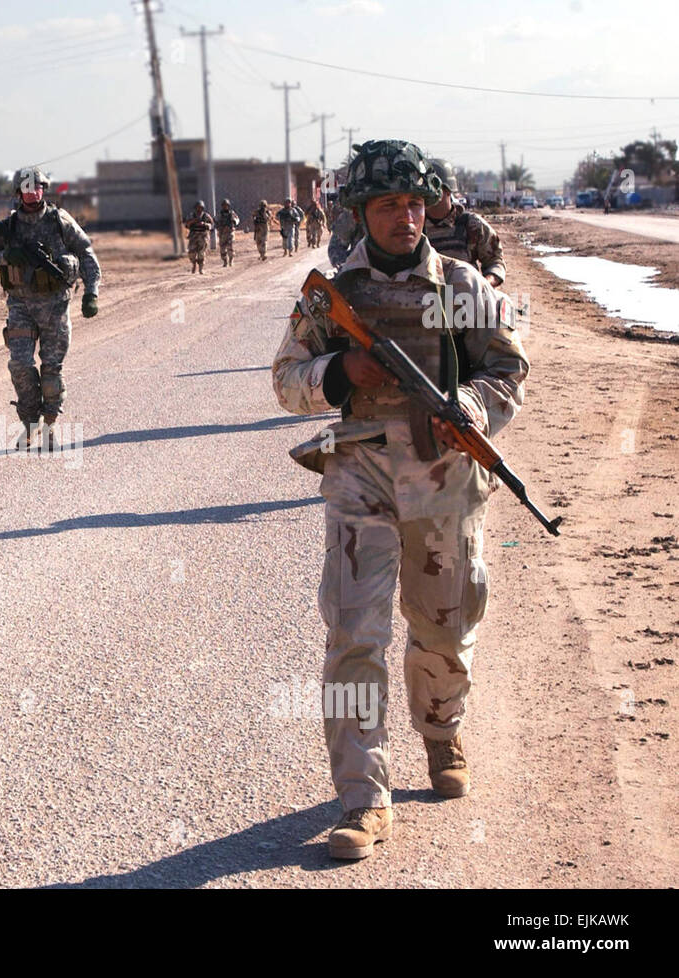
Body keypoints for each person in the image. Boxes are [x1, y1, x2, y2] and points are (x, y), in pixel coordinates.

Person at [270, 139, 530, 861]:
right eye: (389, 205)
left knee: (444, 627)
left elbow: (509, 370)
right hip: (361, 480)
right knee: (354, 636)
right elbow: (287, 381)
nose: (406, 217)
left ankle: (442, 733)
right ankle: (363, 798)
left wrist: (473, 407)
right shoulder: (333, 296)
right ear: (361, 212)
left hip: (445, 484)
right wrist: (340, 371)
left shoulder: (464, 286)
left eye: (415, 203)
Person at [0, 165, 100, 449]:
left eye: (38, 188)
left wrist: (91, 292)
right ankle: (29, 423)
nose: (33, 194)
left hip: (55, 308)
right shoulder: (7, 227)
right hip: (20, 306)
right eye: (27, 189)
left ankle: (49, 424)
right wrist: (7, 255)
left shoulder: (60, 220)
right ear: (18, 192)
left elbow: (85, 252)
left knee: (51, 369)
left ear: (44, 190)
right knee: (20, 365)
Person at [425, 159, 506, 287]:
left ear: (448, 191)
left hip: (466, 301)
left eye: (433, 189)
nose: (427, 196)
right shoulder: (415, 228)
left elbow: (495, 261)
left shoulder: (471, 225)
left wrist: (484, 286)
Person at [183, 200, 214, 274]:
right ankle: (194, 264)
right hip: (193, 235)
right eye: (197, 207)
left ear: (203, 208)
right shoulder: (191, 215)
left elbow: (212, 225)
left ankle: (201, 268)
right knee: (191, 253)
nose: (199, 209)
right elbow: (186, 224)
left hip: (203, 235)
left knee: (201, 253)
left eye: (200, 207)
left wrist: (204, 224)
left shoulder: (206, 216)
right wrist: (193, 221)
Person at [216, 198, 240, 267]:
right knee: (222, 249)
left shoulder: (231, 213)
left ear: (228, 206)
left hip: (230, 232)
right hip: (222, 233)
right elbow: (215, 220)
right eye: (223, 205)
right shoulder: (220, 214)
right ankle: (225, 261)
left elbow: (237, 219)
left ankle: (231, 260)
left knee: (230, 247)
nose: (225, 207)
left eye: (226, 205)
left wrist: (234, 222)